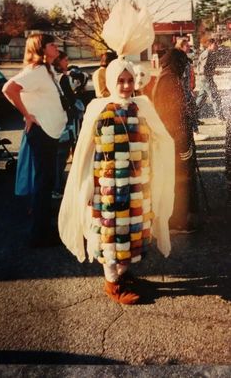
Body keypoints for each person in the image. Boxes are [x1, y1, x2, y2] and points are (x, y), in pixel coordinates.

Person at [58, 54, 175, 304]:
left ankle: (123, 274)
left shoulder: (142, 106)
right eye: (120, 80)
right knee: (109, 235)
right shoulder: (97, 108)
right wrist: (87, 186)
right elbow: (86, 153)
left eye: (129, 80)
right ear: (111, 81)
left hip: (137, 185)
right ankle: (113, 284)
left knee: (132, 234)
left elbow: (160, 138)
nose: (125, 86)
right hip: (107, 187)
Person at [2, 33, 67, 247]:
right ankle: (38, 236)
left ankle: (43, 229)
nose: (56, 47)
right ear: (41, 49)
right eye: (51, 44)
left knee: (45, 183)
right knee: (43, 183)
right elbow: (9, 89)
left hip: (49, 132)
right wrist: (27, 114)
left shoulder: (46, 70)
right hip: (42, 134)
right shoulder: (37, 71)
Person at [152, 48, 199, 233]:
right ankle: (178, 220)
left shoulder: (166, 76)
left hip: (170, 138)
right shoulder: (170, 80)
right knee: (180, 180)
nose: (185, 68)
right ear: (177, 62)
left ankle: (178, 217)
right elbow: (175, 115)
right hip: (175, 139)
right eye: (183, 64)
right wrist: (183, 143)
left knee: (176, 180)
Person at [52, 51, 83, 199]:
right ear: (59, 62)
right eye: (65, 60)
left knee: (57, 155)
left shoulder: (52, 76)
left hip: (54, 120)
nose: (67, 62)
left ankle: (56, 185)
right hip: (65, 121)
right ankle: (57, 187)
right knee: (62, 154)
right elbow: (70, 99)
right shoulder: (63, 78)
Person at [175, 37, 209, 142]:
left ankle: (194, 132)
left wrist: (191, 89)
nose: (189, 47)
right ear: (181, 46)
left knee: (191, 111)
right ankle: (193, 132)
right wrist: (184, 92)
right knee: (188, 112)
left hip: (187, 91)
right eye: (187, 45)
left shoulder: (185, 58)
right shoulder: (180, 60)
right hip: (183, 92)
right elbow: (181, 78)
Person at [196, 38, 224, 121]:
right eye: (215, 44)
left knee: (201, 99)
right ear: (209, 45)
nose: (217, 46)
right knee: (216, 97)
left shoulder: (211, 53)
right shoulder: (207, 54)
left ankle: (192, 117)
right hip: (206, 79)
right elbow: (202, 71)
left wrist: (213, 72)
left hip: (206, 79)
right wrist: (214, 72)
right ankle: (220, 117)